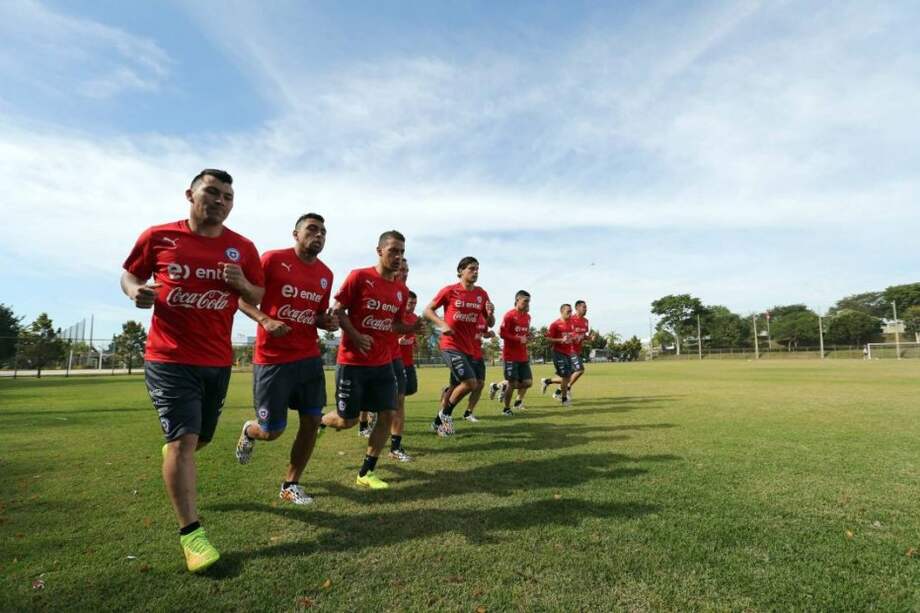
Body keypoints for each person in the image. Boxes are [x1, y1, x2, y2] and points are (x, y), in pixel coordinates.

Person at [120, 169, 264, 573]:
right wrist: (136, 291)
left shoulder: (243, 248)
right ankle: (192, 536)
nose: (220, 201)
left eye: (228, 197)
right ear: (190, 194)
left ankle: (175, 456)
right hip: (168, 358)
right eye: (213, 193)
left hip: (216, 361)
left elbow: (259, 295)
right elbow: (130, 274)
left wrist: (241, 284)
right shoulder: (159, 236)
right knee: (184, 441)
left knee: (196, 441)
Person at [233, 213, 338, 505]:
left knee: (312, 421)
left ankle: (291, 484)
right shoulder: (272, 260)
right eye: (312, 229)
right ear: (296, 233)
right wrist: (265, 320)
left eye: (323, 232)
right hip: (272, 360)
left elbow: (316, 314)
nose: (318, 235)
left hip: (308, 359)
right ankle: (250, 430)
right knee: (272, 431)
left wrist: (326, 322)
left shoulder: (325, 274)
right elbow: (243, 299)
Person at [319, 230, 417, 489]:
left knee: (388, 413)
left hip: (383, 363)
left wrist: (411, 329)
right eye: (393, 251)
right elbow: (338, 310)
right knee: (347, 421)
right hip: (352, 362)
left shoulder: (400, 290)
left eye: (402, 252)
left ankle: (366, 472)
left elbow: (394, 325)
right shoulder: (359, 277)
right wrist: (355, 335)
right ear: (380, 250)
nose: (398, 257)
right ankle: (321, 420)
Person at [424, 256, 494, 436]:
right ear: (461, 271)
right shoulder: (449, 291)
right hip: (450, 345)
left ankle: (437, 422)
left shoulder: (481, 294)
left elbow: (490, 323)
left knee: (457, 387)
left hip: (469, 348)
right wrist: (442, 324)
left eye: (477, 269)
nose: (475, 272)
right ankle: (446, 416)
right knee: (470, 383)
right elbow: (427, 310)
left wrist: (491, 313)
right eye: (471, 268)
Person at [489, 290, 532, 416]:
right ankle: (506, 409)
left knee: (528, 382)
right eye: (525, 301)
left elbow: (525, 333)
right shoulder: (509, 315)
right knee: (512, 384)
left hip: (523, 355)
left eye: (529, 301)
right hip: (510, 356)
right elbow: (501, 333)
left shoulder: (528, 317)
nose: (527, 304)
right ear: (517, 300)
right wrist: (519, 338)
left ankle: (498, 386)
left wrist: (528, 338)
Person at [388, 259, 414, 461]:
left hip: (394, 355)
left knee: (400, 399)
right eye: (401, 269)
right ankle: (326, 420)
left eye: (406, 270)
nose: (404, 273)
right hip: (372, 355)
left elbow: (398, 325)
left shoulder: (404, 295)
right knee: (348, 419)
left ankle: (395, 446)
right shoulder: (378, 287)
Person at [550, 299, 595, 400]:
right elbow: (569, 333)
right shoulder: (572, 319)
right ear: (577, 308)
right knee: (580, 370)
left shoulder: (586, 321)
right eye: (584, 307)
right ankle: (567, 389)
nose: (586, 309)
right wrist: (573, 337)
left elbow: (583, 335)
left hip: (578, 350)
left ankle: (552, 386)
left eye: (586, 307)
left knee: (567, 376)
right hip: (570, 350)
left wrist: (589, 338)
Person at [461, 317, 495, 422]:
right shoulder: (467, 314)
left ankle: (468, 412)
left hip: (478, 355)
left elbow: (484, 333)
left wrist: (488, 334)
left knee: (480, 384)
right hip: (466, 353)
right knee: (466, 384)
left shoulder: (483, 318)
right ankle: (448, 394)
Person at [542, 304, 577, 406]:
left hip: (568, 353)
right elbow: (548, 338)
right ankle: (564, 399)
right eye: (568, 312)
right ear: (561, 312)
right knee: (566, 377)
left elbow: (572, 335)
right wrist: (561, 340)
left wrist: (574, 338)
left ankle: (547, 381)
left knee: (567, 378)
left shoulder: (572, 323)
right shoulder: (555, 325)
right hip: (558, 353)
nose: (570, 314)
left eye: (571, 311)